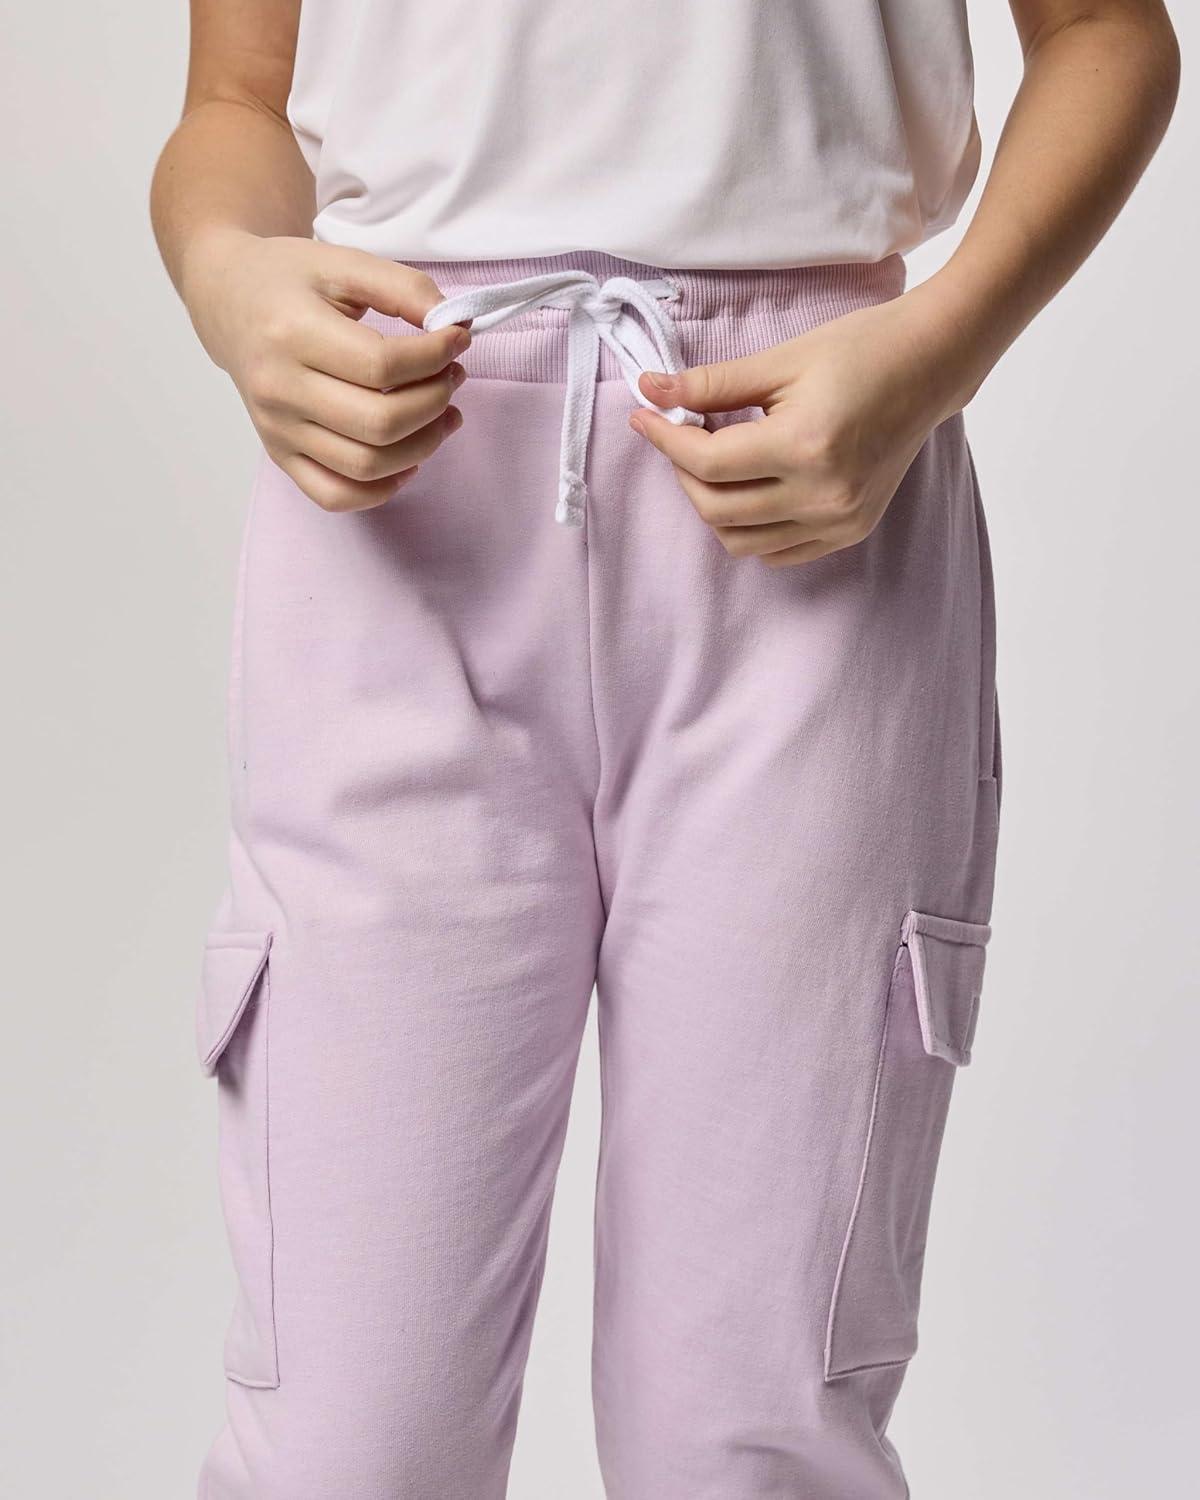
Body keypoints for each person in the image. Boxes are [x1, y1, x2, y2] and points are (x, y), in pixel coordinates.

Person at [152, 2, 1179, 1495]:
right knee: (346, 1444)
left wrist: (938, 353)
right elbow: (237, 100)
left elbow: (1101, 31)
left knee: (748, 1435)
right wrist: (228, 275)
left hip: (816, 482)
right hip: (399, 502)